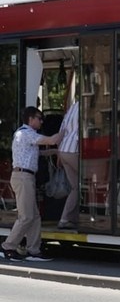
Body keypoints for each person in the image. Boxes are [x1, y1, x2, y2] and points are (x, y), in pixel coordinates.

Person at [2, 107, 61, 261]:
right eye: (39, 118)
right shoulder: (26, 133)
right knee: (26, 216)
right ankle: (8, 247)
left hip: (25, 177)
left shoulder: (25, 134)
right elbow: (52, 140)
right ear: (30, 118)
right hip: (23, 177)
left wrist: (52, 153)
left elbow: (35, 152)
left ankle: (33, 250)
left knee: (34, 216)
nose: (41, 121)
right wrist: (66, 128)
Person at [56, 96, 80, 229]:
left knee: (76, 187)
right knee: (86, 182)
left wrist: (59, 153)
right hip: (74, 149)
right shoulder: (87, 106)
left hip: (64, 149)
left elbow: (62, 129)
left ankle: (66, 219)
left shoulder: (73, 107)